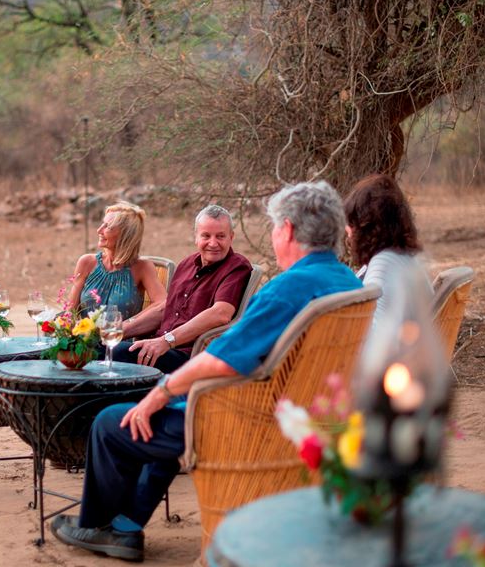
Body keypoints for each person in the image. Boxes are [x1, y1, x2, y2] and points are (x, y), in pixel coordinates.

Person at [51, 181, 363, 562]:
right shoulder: (347, 280)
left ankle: (95, 525)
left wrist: (159, 396)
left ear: (289, 231)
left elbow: (221, 360)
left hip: (242, 420)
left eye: (275, 227)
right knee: (163, 410)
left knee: (112, 423)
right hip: (301, 415)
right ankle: (127, 529)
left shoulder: (288, 289)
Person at [112, 204, 252, 374]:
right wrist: (118, 332)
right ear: (196, 237)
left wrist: (166, 341)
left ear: (231, 237)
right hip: (159, 346)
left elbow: (221, 314)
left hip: (189, 356)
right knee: (98, 347)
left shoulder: (236, 267)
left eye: (220, 236)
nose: (213, 243)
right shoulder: (187, 264)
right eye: (206, 236)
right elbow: (166, 311)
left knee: (115, 354)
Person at [343, 174, 431, 328]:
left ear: (367, 226)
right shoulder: (406, 258)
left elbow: (373, 339)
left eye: (352, 222)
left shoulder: (382, 267)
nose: (348, 231)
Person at [68, 201, 166, 319]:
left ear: (125, 234)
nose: (99, 230)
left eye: (107, 226)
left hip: (121, 336)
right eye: (102, 224)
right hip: (85, 336)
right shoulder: (87, 262)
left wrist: (129, 325)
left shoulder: (142, 267)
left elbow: (163, 303)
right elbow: (70, 311)